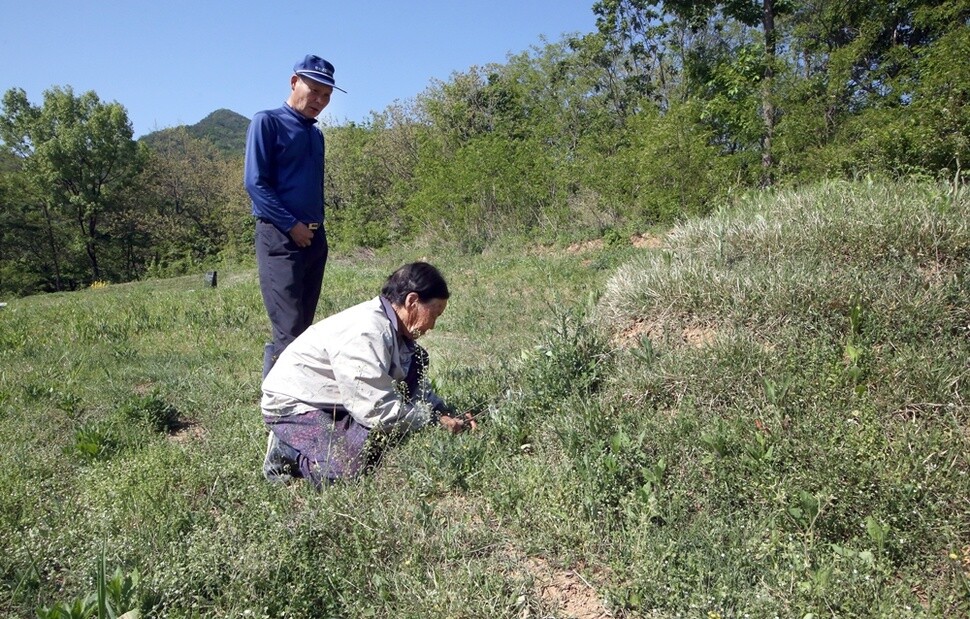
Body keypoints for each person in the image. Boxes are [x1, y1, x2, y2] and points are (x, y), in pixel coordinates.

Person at [260, 262, 475, 487]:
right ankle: (285, 451)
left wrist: (444, 411)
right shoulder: (366, 333)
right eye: (434, 314)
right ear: (412, 301)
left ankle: (332, 436)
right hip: (294, 405)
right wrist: (432, 420)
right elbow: (376, 411)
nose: (433, 325)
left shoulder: (398, 332)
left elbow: (415, 392)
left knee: (379, 444)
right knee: (346, 469)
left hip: (335, 400)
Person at [244, 54, 346, 378]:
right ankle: (284, 414)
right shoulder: (267, 122)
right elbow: (255, 183)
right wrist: (292, 226)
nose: (320, 100)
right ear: (294, 82)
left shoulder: (316, 135)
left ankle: (282, 396)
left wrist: (315, 231)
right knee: (288, 331)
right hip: (280, 238)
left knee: (302, 330)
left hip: (315, 238)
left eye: (326, 95)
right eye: (314, 90)